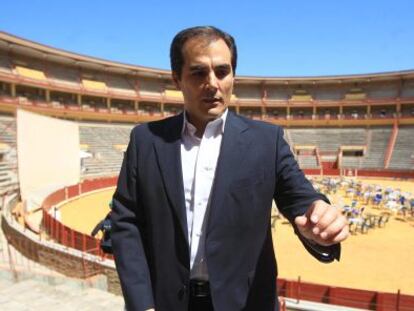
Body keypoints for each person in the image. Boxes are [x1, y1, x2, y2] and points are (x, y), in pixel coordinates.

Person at [111, 26, 349, 311]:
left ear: (233, 76)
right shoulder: (145, 140)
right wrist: (141, 304)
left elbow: (302, 200)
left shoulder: (267, 141)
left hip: (245, 303)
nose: (212, 83)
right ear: (177, 79)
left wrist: (320, 220)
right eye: (199, 72)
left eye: (222, 71)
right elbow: (126, 221)